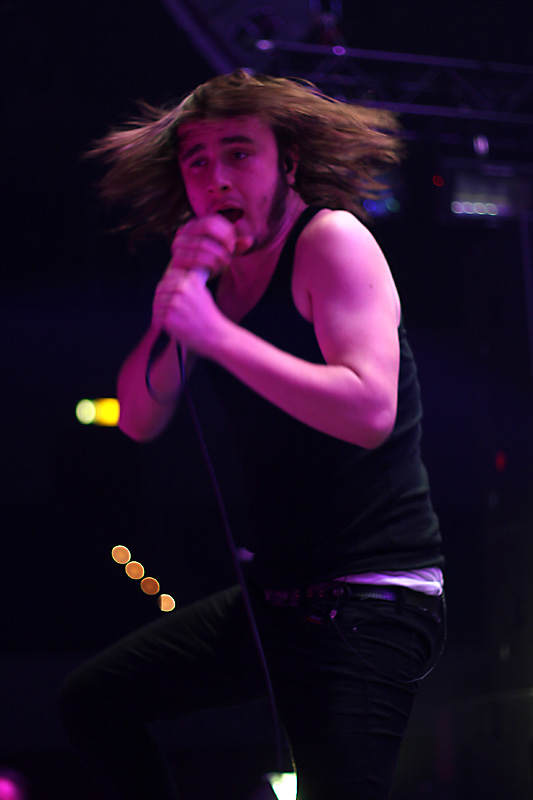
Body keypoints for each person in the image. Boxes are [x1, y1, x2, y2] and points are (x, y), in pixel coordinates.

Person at [59, 70, 445, 800]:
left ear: (286, 163)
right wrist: (182, 303)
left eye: (239, 154)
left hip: (370, 598)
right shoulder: (210, 274)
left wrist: (216, 335)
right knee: (93, 702)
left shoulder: (330, 240)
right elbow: (138, 418)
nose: (216, 178)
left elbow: (369, 410)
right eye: (197, 161)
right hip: (277, 597)